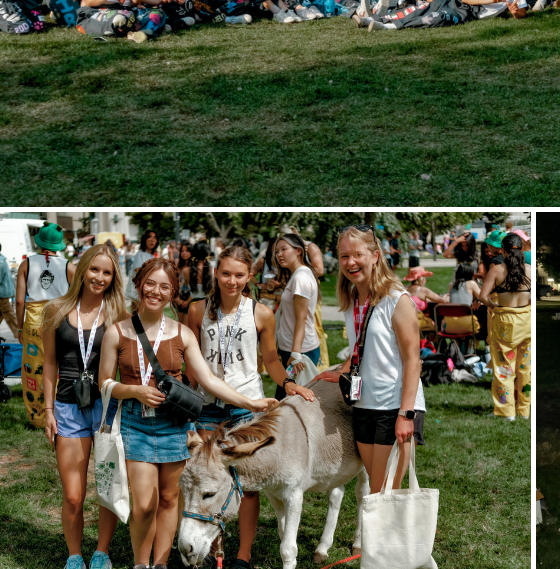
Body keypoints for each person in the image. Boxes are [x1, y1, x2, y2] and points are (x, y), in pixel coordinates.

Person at [100, 258, 271, 569]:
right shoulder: (117, 332)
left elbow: (207, 381)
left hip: (177, 426)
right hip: (136, 425)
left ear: (173, 292)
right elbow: (105, 383)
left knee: (169, 500)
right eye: (150, 283)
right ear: (139, 284)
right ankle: (142, 564)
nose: (156, 291)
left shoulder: (181, 333)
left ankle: (162, 563)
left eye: (165, 286)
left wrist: (252, 404)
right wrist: (135, 390)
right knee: (143, 505)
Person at [181, 242, 317, 568]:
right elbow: (191, 362)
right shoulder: (198, 310)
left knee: (247, 484)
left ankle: (243, 555)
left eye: (239, 275)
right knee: (207, 478)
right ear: (216, 272)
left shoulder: (261, 313)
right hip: (209, 406)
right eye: (225, 273)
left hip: (247, 407)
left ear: (249, 275)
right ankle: (212, 550)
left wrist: (287, 383)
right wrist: (183, 396)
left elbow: (270, 358)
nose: (231, 281)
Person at [40, 243, 126, 569]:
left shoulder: (119, 313)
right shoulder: (56, 310)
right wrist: (47, 410)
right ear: (81, 269)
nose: (99, 277)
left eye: (107, 272)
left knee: (106, 488)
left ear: (113, 276)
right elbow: (49, 363)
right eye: (94, 269)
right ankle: (74, 556)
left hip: (106, 408)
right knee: (74, 495)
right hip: (66, 407)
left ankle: (101, 551)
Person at [326, 224, 426, 497]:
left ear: (375, 255)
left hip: (395, 407)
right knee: (376, 490)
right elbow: (362, 345)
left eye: (357, 254)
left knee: (384, 493)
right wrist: (342, 371)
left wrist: (407, 414)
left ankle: (391, 540)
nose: (350, 262)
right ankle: (381, 539)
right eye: (344, 256)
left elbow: (413, 361)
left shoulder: (396, 298)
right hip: (364, 404)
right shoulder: (352, 298)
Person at [19, 223, 76, 430]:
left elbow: (19, 301)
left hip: (33, 322)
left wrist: (19, 328)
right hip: (59, 319)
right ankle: (61, 414)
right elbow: (76, 298)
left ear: (39, 242)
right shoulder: (69, 267)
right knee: (60, 367)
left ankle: (37, 416)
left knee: (34, 369)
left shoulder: (26, 264)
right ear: (59, 245)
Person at [475, 231, 531, 419]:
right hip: (527, 322)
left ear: (504, 251)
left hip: (505, 321)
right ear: (522, 249)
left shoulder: (497, 270)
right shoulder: (529, 270)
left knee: (503, 368)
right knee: (525, 369)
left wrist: (493, 305)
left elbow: (482, 297)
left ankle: (505, 411)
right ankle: (524, 410)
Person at [268, 233, 322, 397]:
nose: (279, 255)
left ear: (298, 251)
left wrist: (296, 354)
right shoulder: (298, 275)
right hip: (292, 349)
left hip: (299, 352)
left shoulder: (300, 278)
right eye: (277, 251)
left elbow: (302, 319)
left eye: (284, 249)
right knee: (286, 399)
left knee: (290, 401)